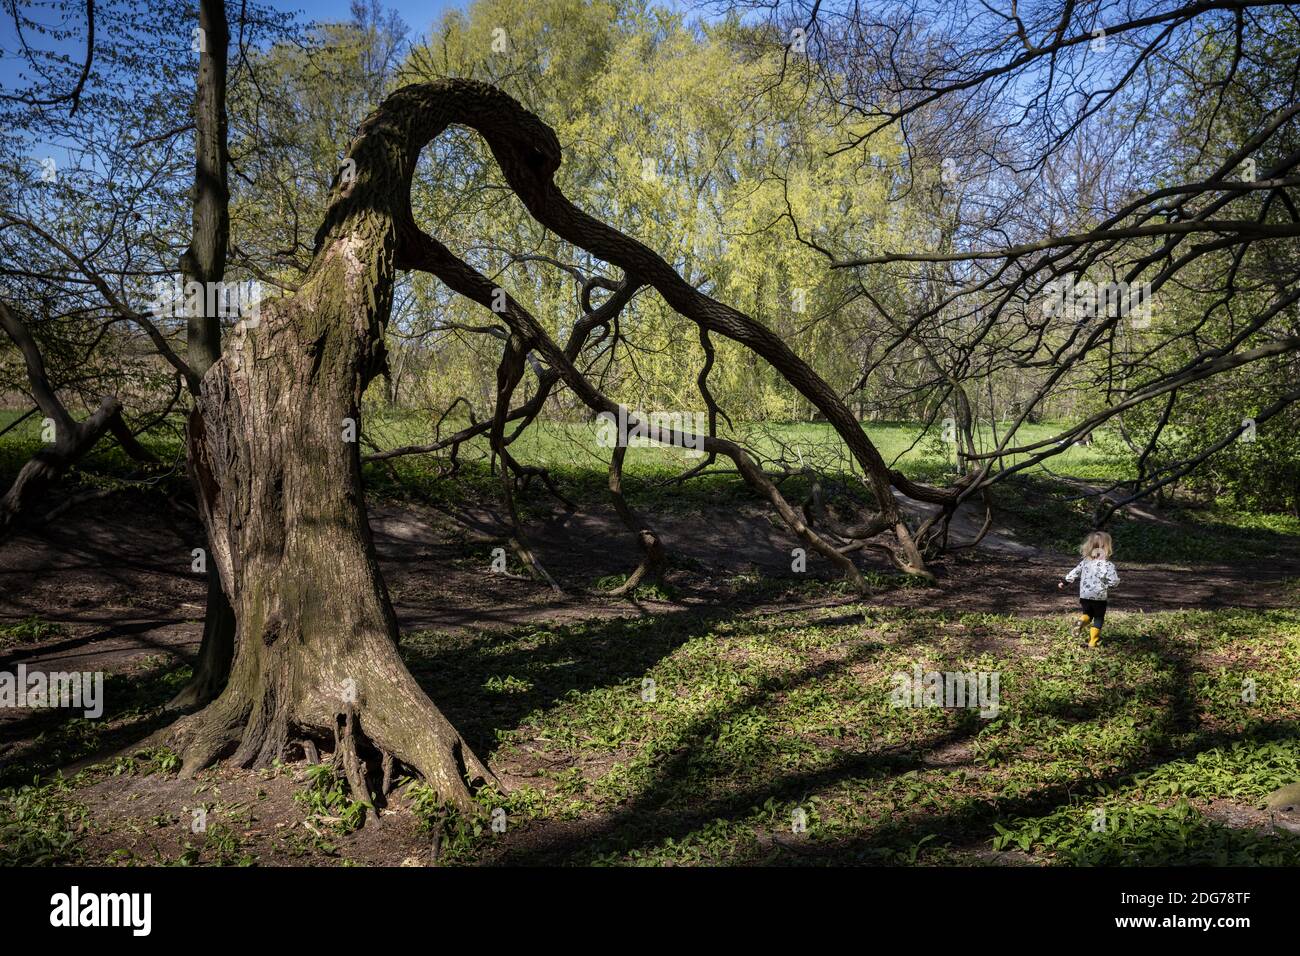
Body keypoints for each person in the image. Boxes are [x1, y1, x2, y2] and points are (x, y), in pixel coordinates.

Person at [1058, 531, 1119, 647]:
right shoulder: (1108, 565)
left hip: (1085, 595)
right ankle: (1092, 642)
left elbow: (1074, 572)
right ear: (1106, 548)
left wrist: (1064, 582)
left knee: (1088, 614)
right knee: (1099, 618)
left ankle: (1081, 622)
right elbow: (1114, 581)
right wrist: (1111, 584)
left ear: (1089, 547)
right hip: (1099, 597)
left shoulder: (1085, 562)